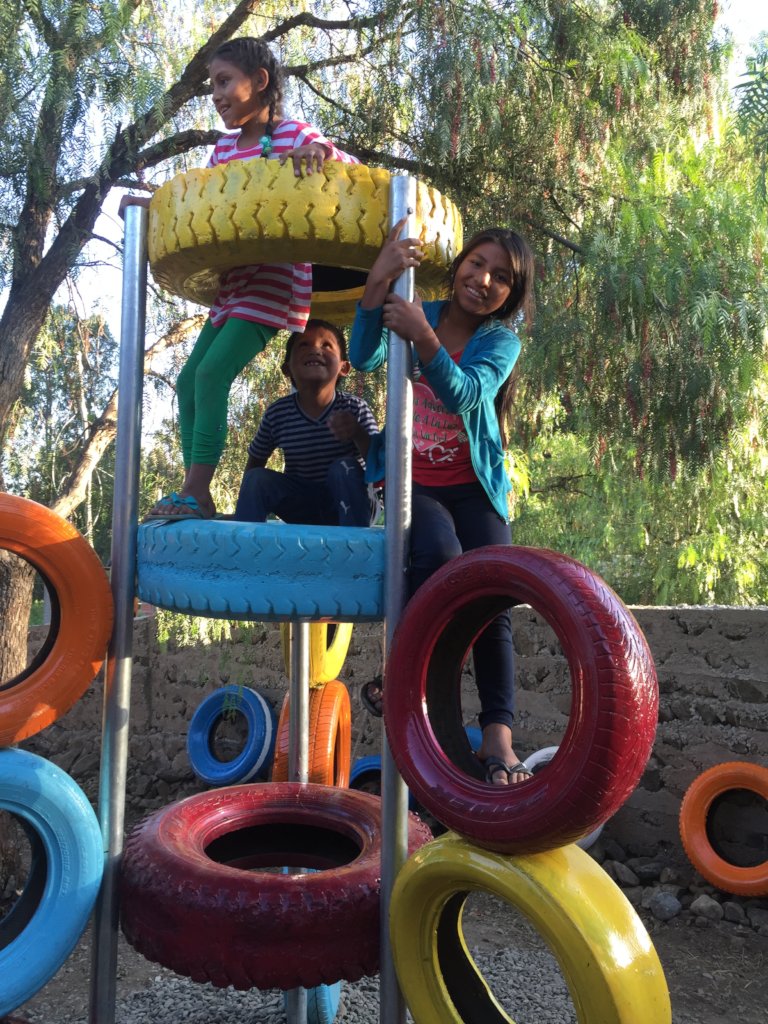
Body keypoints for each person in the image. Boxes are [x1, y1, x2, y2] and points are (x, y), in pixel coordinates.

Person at [349, 219, 535, 786]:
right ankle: (410, 674)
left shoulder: (500, 340)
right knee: (437, 552)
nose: (483, 280)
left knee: (493, 595)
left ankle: (498, 736)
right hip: (415, 480)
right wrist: (378, 283)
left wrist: (423, 339)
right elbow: (361, 356)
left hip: (474, 485)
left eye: (501, 277)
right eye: (476, 263)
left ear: (511, 293)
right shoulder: (415, 308)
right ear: (458, 264)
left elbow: (463, 393)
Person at [145, 37, 359, 520]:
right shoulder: (223, 149)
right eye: (211, 86)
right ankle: (191, 491)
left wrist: (317, 156)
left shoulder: (287, 135)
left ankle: (196, 492)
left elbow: (341, 164)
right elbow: (206, 207)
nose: (216, 94)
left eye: (224, 82)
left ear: (259, 82)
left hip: (273, 283)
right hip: (233, 287)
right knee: (186, 383)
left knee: (210, 373)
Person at [234, 318, 379, 526]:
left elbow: (379, 464)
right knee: (257, 478)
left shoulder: (355, 408)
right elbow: (255, 464)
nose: (315, 350)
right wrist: (245, 510)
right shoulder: (278, 413)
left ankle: (355, 544)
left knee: (343, 467)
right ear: (287, 370)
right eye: (304, 345)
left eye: (326, 345)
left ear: (344, 367)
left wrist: (357, 433)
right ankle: (245, 541)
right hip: (303, 506)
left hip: (353, 506)